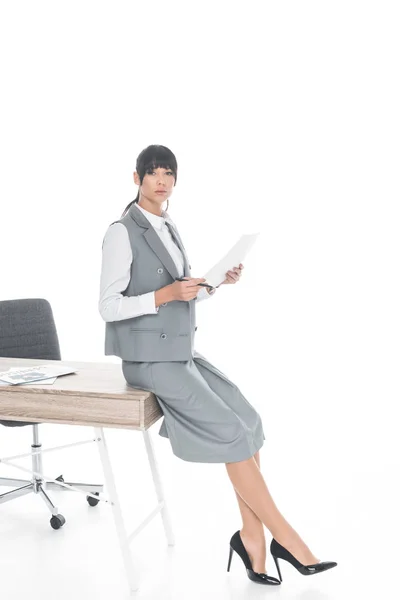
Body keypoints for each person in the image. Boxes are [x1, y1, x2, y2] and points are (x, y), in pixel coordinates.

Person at [98, 144, 337, 585]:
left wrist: (216, 283)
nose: (162, 181)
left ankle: (250, 539)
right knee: (230, 433)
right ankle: (285, 537)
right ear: (137, 179)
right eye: (153, 173)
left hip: (179, 351)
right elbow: (109, 307)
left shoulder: (168, 225)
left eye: (168, 173)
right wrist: (168, 294)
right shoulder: (122, 230)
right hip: (148, 359)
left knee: (247, 421)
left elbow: (184, 293)